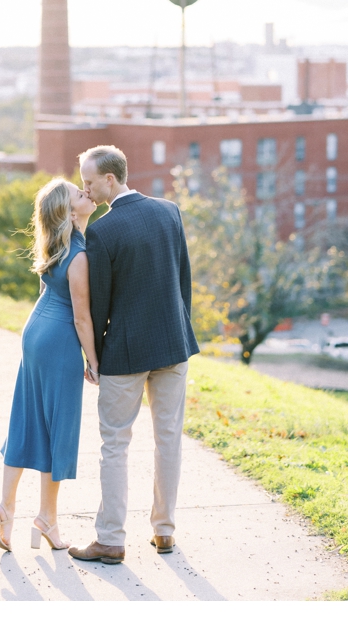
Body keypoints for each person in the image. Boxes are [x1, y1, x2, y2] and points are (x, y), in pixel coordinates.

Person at [66, 145, 200, 565]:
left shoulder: (102, 232)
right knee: (168, 439)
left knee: (114, 445)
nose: (86, 190)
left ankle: (110, 539)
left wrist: (96, 359)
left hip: (125, 352)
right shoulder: (170, 211)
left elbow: (99, 305)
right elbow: (184, 280)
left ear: (110, 179)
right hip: (173, 344)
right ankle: (164, 531)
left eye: (89, 182)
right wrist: (180, 330)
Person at [0, 178, 99, 551]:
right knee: (58, 427)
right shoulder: (78, 254)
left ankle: (5, 509)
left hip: (35, 332)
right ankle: (46, 519)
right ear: (68, 211)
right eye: (78, 194)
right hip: (59, 339)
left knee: (27, 420)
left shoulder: (56, 243)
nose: (86, 193)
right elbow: (82, 319)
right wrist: (92, 362)